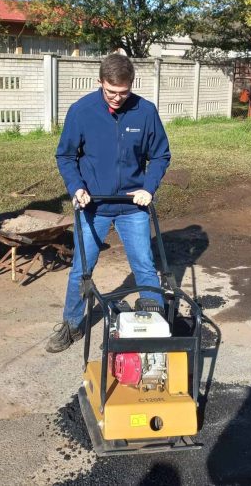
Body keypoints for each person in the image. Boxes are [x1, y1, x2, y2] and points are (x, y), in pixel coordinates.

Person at [48, 54, 171, 353]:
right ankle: (72, 324)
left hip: (132, 206)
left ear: (131, 85)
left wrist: (148, 188)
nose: (117, 98)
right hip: (94, 206)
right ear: (100, 83)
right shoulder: (82, 111)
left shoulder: (145, 111)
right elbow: (65, 156)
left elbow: (160, 155)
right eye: (110, 92)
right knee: (82, 268)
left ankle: (156, 323)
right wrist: (76, 188)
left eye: (123, 92)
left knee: (144, 264)